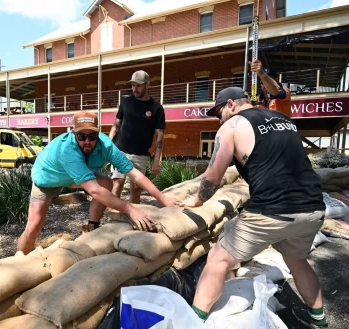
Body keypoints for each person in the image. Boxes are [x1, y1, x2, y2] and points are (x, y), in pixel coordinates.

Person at [184, 87, 328, 328]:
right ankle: (319, 320)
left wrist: (196, 201)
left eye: (219, 112)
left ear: (230, 104)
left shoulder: (231, 125)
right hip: (312, 207)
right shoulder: (284, 120)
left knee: (218, 258)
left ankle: (191, 321)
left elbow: (213, 177)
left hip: (270, 210)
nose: (219, 119)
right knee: (297, 260)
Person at [18, 110, 182, 255]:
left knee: (106, 182)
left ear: (98, 134)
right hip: (47, 179)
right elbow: (94, 191)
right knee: (34, 227)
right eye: (82, 136)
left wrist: (162, 198)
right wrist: (130, 209)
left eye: (92, 136)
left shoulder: (106, 145)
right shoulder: (67, 149)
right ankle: (19, 259)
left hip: (76, 176)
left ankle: (92, 227)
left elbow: (135, 174)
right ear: (74, 134)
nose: (87, 141)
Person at [109, 70, 165, 204]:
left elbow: (160, 135)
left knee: (136, 191)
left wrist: (157, 160)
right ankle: (113, 219)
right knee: (117, 185)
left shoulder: (156, 108)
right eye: (133, 85)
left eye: (139, 85)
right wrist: (108, 146)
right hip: (120, 152)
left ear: (148, 85)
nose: (135, 89)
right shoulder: (126, 102)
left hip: (141, 156)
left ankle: (133, 218)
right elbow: (116, 126)